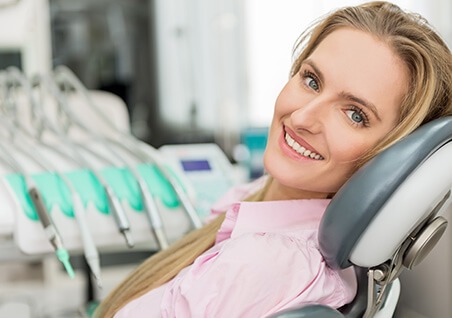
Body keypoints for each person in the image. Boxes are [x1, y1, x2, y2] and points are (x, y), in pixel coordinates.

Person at [96, 1, 452, 317]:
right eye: (311, 80)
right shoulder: (257, 205)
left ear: (390, 159)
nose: (301, 118)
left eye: (354, 114)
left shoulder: (268, 263)